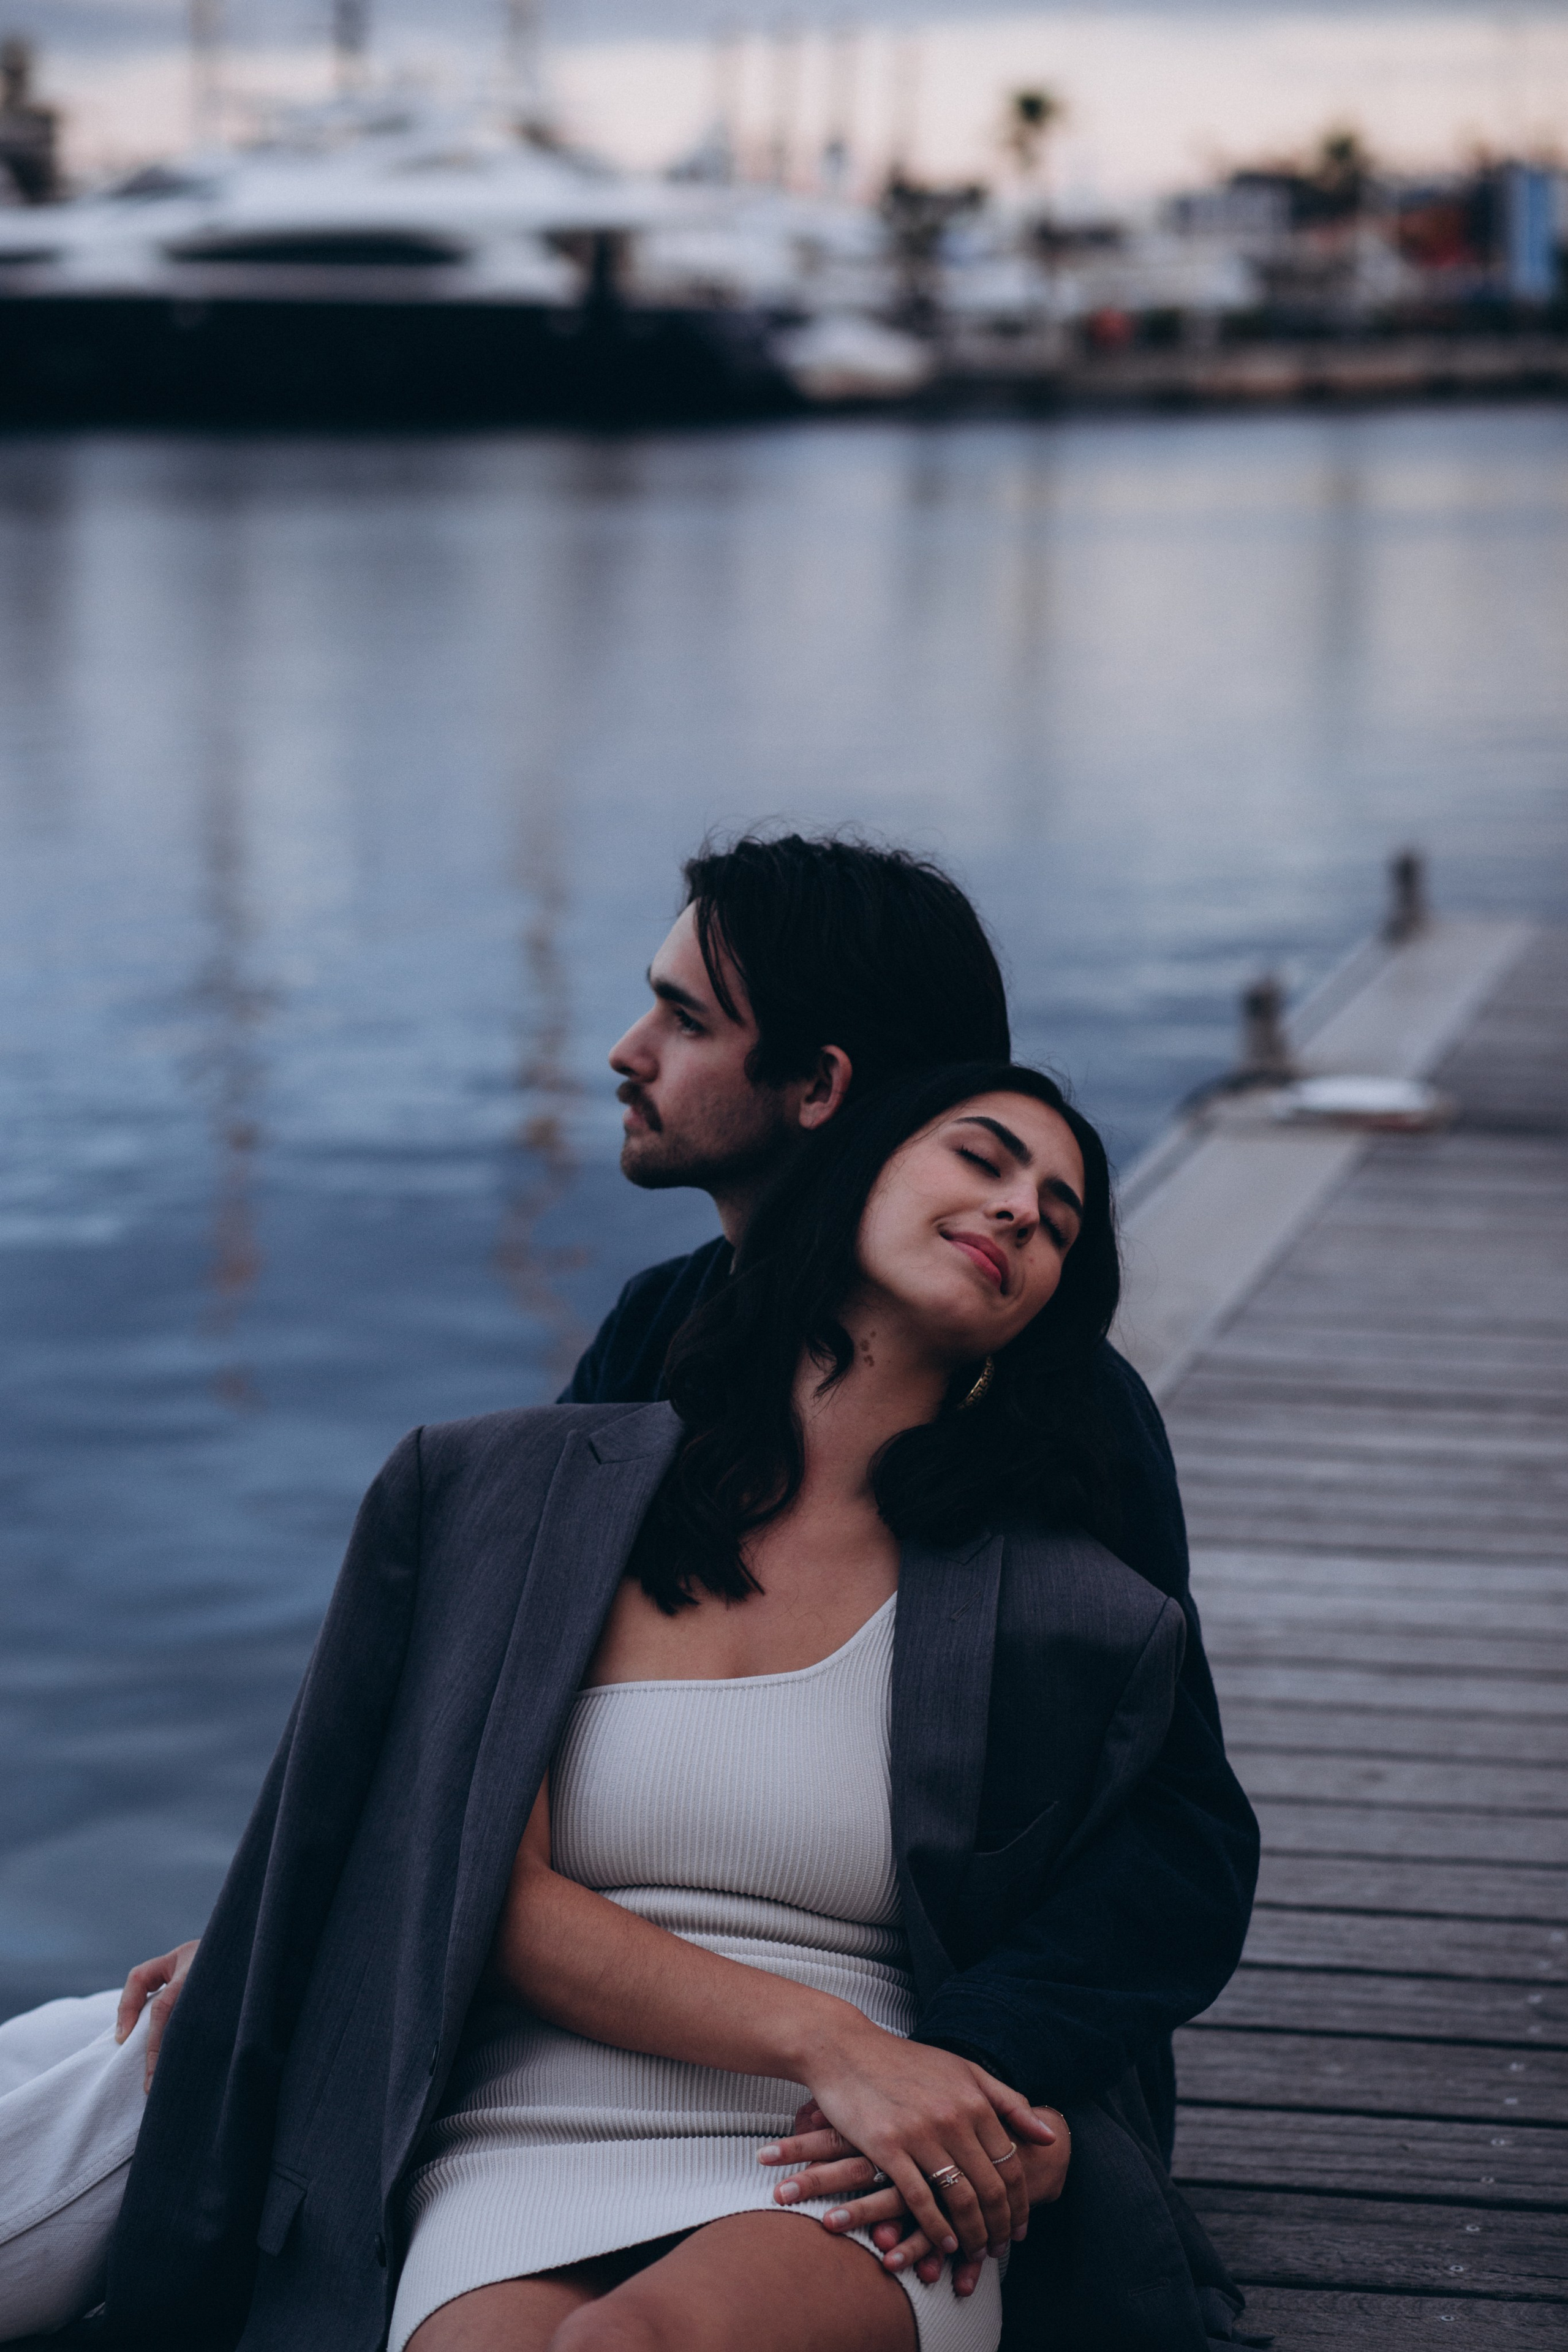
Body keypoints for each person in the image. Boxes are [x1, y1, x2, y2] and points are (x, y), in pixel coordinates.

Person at [73, 1058, 1256, 2352]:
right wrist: (280, 1921)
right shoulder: (518, 1500)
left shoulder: (1067, 1609)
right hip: (528, 2115)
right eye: (981, 1159)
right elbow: (471, 1877)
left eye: (1059, 1217)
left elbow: (1162, 1882)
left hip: (853, 2147)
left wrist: (962, 2093)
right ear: (852, 1169)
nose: (1023, 1208)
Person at [560, 832, 1227, 2160]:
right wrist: (303, 1916)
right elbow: (489, 1694)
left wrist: (968, 2067)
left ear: (818, 1086)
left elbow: (1176, 1834)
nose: (626, 1052)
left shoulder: (1064, 1416)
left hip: (903, 2093)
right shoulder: (657, 1334)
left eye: (682, 1019)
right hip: (598, 2008)